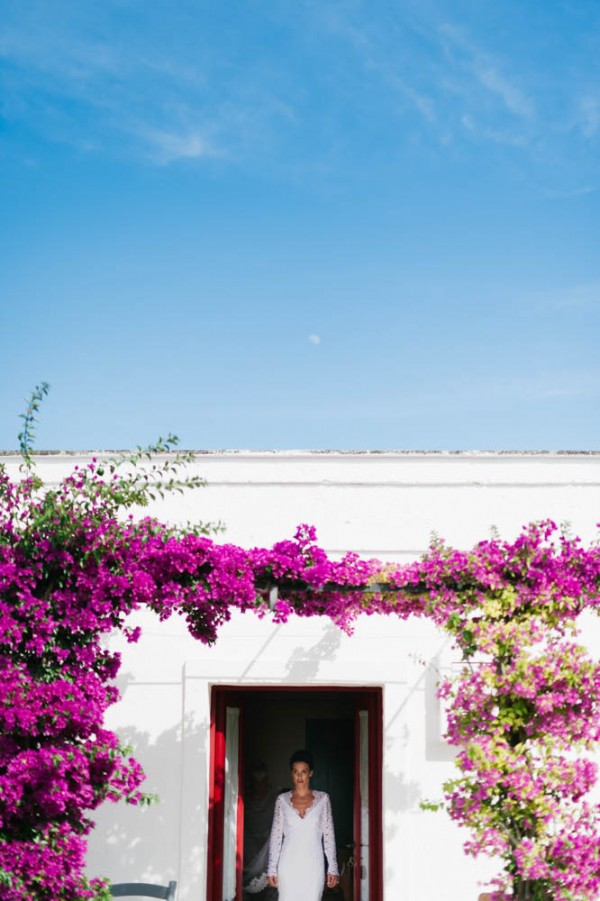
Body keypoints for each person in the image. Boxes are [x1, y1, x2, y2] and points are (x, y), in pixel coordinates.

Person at [267, 750, 339, 900]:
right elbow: (276, 836)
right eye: (295, 771)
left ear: (311, 773)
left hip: (314, 864)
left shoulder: (323, 799)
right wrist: (272, 869)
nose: (299, 776)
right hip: (288, 864)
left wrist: (332, 866)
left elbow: (329, 836)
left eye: (304, 772)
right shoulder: (282, 800)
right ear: (291, 773)